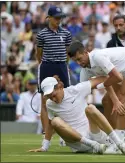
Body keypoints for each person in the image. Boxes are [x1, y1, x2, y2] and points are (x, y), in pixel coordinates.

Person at [68, 41, 125, 143]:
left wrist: (115, 99)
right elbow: (80, 97)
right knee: (106, 101)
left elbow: (117, 77)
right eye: (75, 61)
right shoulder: (85, 71)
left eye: (79, 59)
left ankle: (119, 140)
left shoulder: (98, 57)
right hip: (123, 72)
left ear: (85, 52)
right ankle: (110, 136)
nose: (78, 63)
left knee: (121, 98)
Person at [29, 75, 125, 155]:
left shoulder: (76, 90)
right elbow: (51, 125)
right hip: (78, 144)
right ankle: (93, 145)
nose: (53, 99)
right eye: (50, 97)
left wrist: (115, 93)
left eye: (54, 95)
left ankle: (119, 143)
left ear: (60, 87)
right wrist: (45, 146)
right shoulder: (49, 104)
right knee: (55, 121)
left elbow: (103, 78)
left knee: (90, 108)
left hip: (95, 134)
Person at [36, 6, 72, 137]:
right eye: (56, 17)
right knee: (45, 100)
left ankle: (65, 132)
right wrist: (48, 63)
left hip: (62, 66)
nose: (59, 20)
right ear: (49, 18)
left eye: (60, 17)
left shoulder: (66, 34)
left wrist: (62, 63)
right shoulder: (41, 35)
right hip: (47, 66)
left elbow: (68, 52)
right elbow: (39, 54)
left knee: (65, 98)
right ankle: (46, 134)